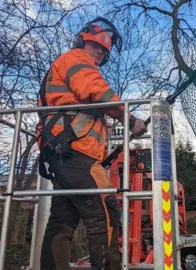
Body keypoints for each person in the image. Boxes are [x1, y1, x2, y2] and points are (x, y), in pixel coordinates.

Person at [36, 17, 147, 270]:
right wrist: (128, 119)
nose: (100, 52)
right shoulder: (77, 59)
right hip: (75, 152)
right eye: (95, 46)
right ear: (81, 42)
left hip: (63, 153)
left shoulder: (69, 63)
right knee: (104, 212)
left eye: (104, 50)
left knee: (62, 220)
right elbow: (96, 91)